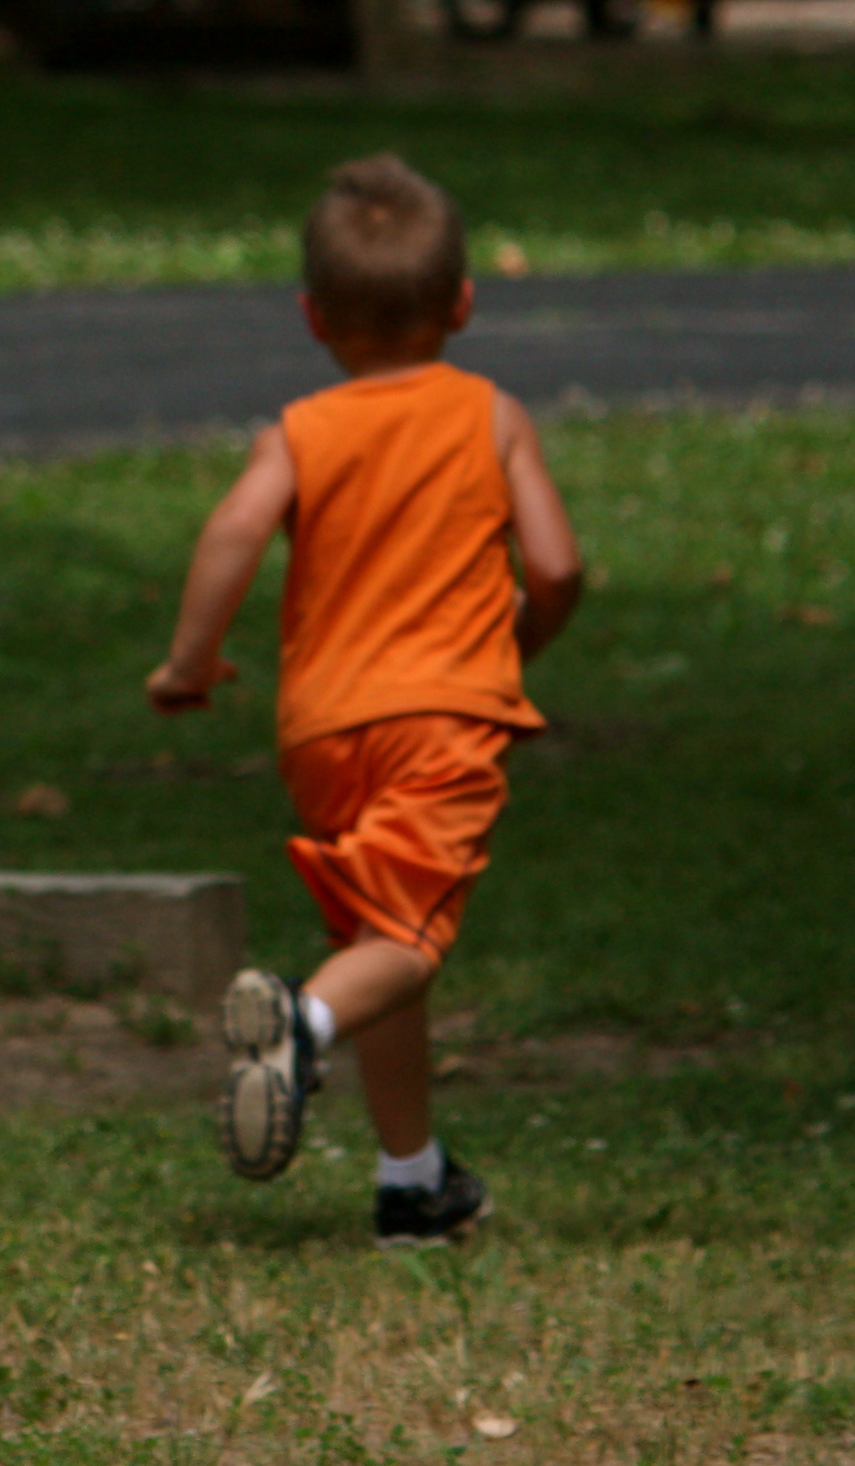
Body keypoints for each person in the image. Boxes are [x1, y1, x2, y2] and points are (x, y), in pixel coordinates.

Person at [146, 153, 585, 1246]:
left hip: (322, 729)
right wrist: (514, 643)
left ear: (312, 317)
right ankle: (305, 1023)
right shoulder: (490, 415)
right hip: (442, 719)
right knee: (405, 943)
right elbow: (561, 567)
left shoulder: (300, 430)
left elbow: (237, 530)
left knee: (380, 932)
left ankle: (412, 1181)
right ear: (464, 302)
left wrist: (189, 665)